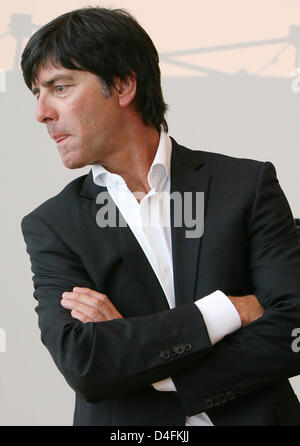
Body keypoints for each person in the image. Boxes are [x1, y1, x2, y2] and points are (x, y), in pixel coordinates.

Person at [20, 7, 300, 426]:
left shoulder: (247, 184)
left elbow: (293, 329)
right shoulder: (53, 225)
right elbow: (86, 363)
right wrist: (227, 312)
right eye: (36, 94)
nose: (41, 112)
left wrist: (151, 365)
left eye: (59, 87)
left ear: (122, 84)